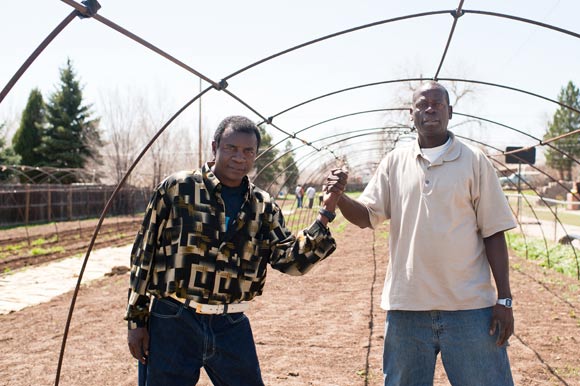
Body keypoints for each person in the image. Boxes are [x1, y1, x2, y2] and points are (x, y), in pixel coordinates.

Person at [126, 115, 343, 386]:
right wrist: (136, 320)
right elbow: (143, 254)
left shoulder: (262, 206)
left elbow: (289, 260)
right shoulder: (178, 189)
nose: (240, 157)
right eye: (231, 148)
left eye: (248, 151)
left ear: (255, 155)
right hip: (173, 319)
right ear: (215, 147)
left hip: (230, 323)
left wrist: (326, 212)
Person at [325, 81, 516, 386]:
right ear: (410, 114)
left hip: (468, 308)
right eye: (422, 104)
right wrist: (341, 196)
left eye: (438, 104)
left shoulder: (474, 160)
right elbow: (367, 217)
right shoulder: (394, 163)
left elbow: (493, 231)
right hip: (407, 309)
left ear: (450, 112)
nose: (430, 109)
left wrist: (504, 300)